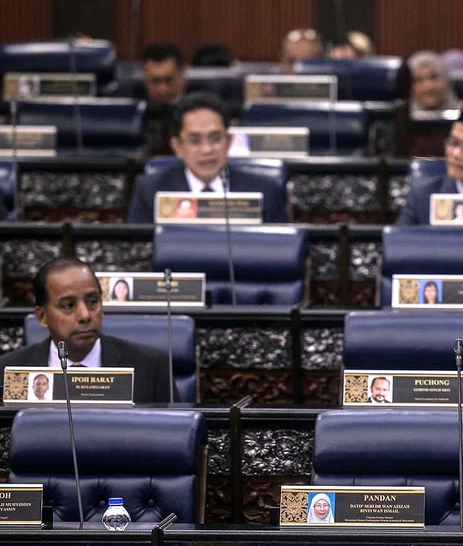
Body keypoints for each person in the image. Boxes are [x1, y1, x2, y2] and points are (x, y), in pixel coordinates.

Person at [0, 258, 174, 403]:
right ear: (42, 317)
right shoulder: (10, 371)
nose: (85, 315)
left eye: (92, 302)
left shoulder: (150, 367)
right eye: (68, 305)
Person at [127, 92, 289, 224]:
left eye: (216, 138)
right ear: (177, 147)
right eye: (195, 140)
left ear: (229, 141)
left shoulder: (265, 191)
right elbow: (139, 249)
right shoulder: (150, 191)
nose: (207, 150)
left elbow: (281, 250)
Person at [141, 43, 187, 156]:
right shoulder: (133, 114)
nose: (162, 89)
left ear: (182, 75)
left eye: (169, 80)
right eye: (155, 81)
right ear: (145, 79)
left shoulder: (202, 110)